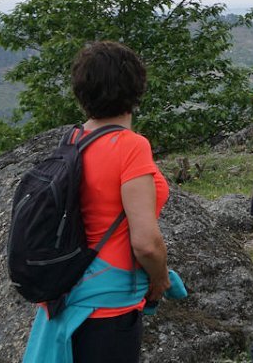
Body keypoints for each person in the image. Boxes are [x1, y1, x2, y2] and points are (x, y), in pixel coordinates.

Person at [22, 41, 173, 363]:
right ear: (136, 87)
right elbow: (146, 243)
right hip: (110, 302)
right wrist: (160, 279)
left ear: (81, 91)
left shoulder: (73, 140)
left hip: (68, 292)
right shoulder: (131, 147)